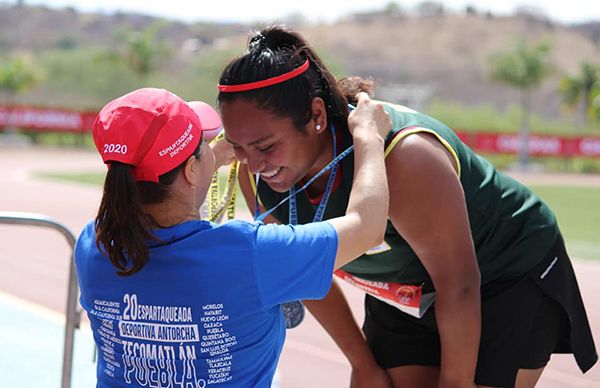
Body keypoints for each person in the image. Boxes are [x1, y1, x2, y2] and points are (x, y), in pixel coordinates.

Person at [216, 25, 598, 388]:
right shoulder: (254, 171)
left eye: (266, 146)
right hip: (403, 288)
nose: (253, 163)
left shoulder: (405, 157)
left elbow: (459, 283)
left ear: (316, 116)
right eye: (238, 146)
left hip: (502, 272)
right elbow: (307, 273)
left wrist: (455, 383)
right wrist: (362, 364)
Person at [74, 87, 391, 387]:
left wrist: (213, 155)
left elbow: (157, 191)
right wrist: (369, 138)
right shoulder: (250, 254)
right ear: (191, 170)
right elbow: (366, 226)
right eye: (203, 146)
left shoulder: (94, 247)